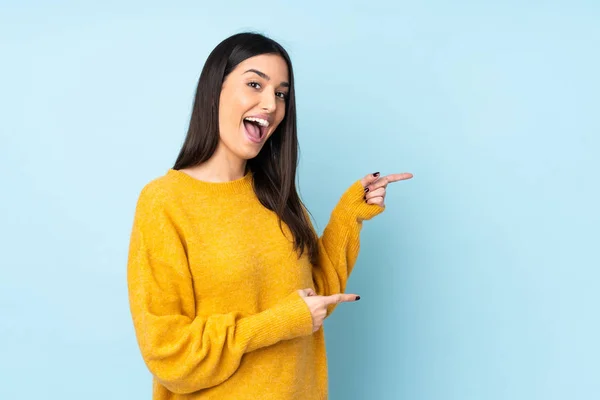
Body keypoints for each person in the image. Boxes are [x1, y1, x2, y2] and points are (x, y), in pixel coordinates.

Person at [126, 32, 413, 400]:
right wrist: (280, 322)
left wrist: (349, 214)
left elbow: (315, 299)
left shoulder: (275, 197)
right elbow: (169, 352)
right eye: (254, 84)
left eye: (280, 93)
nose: (270, 105)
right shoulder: (164, 202)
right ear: (215, 89)